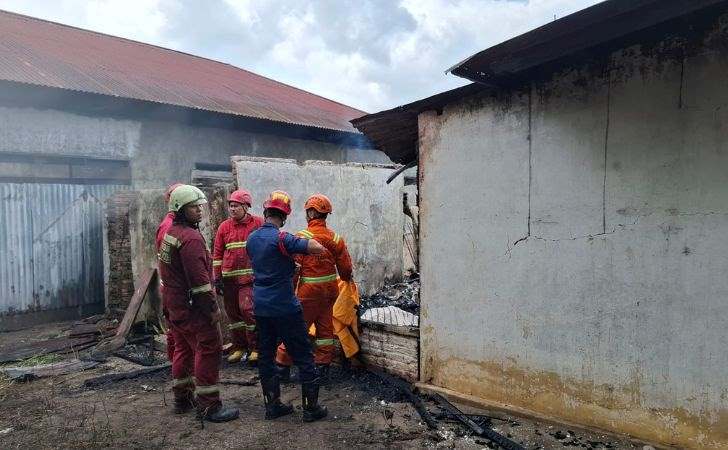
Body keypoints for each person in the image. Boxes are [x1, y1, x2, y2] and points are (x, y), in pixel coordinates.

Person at [157, 184, 238, 423]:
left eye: (200, 206)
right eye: (194, 208)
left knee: (183, 348)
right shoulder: (190, 239)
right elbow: (200, 282)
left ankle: (182, 399)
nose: (200, 211)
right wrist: (212, 310)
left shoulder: (171, 233)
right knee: (209, 347)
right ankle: (209, 406)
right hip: (192, 308)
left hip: (175, 305)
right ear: (180, 209)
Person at [246, 190, 328, 422]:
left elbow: (264, 262)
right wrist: (316, 248)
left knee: (266, 356)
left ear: (265, 212)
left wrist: (288, 264)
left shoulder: (252, 239)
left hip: (261, 307)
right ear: (283, 216)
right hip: (285, 308)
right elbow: (313, 247)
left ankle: (272, 406)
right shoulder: (282, 238)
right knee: (303, 356)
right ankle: (311, 409)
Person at [276, 194, 353, 379]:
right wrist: (345, 279)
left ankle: (282, 366)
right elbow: (346, 269)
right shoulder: (336, 239)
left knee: (296, 328)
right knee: (325, 328)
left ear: (311, 213)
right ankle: (322, 367)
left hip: (308, 293)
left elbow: (295, 269)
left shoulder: (302, 238)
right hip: (330, 291)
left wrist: (289, 292)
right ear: (325, 214)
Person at [212, 189, 263, 364]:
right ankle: (239, 347)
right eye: (231, 206)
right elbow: (217, 254)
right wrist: (217, 278)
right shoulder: (224, 227)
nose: (232, 209)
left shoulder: (258, 223)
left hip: (249, 280)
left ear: (246, 207)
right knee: (233, 316)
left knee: (248, 311)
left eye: (236, 206)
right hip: (229, 281)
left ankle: (255, 348)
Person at [156, 183, 183, 364]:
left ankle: (177, 366)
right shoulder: (170, 227)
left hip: (171, 287)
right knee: (178, 331)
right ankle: (178, 367)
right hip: (176, 289)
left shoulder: (170, 223)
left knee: (175, 329)